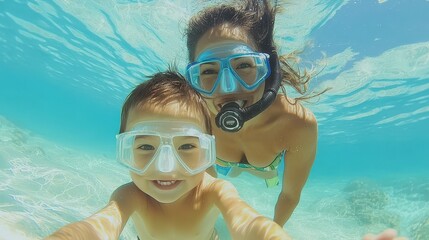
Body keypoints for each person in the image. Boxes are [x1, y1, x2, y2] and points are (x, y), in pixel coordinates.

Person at [45, 70, 291, 240]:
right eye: (145, 147)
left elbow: (246, 223)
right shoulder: (131, 196)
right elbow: (96, 228)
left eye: (186, 147)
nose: (165, 167)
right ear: (125, 149)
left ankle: (262, 171)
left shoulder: (216, 190)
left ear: (208, 152)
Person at [185, 0, 319, 227]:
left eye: (244, 66)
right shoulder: (194, 116)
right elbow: (208, 184)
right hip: (223, 165)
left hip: (265, 170)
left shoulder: (298, 123)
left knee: (268, 176)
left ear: (269, 70)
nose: (227, 88)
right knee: (228, 173)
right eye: (208, 71)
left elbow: (289, 195)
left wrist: (271, 233)